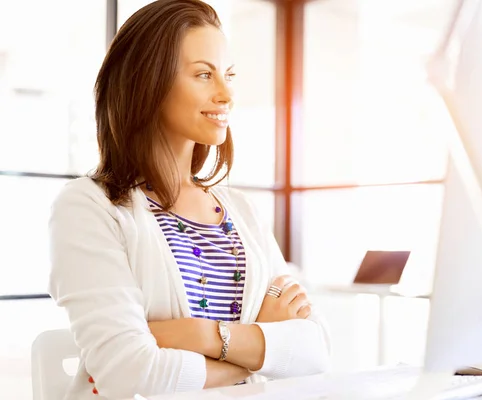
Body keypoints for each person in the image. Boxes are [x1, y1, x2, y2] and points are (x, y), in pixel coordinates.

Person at [47, 1, 331, 398]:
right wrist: (256, 352)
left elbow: (315, 351)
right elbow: (131, 373)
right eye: (204, 75)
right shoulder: (88, 208)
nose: (226, 93)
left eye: (228, 75)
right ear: (148, 83)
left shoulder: (241, 211)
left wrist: (204, 336)